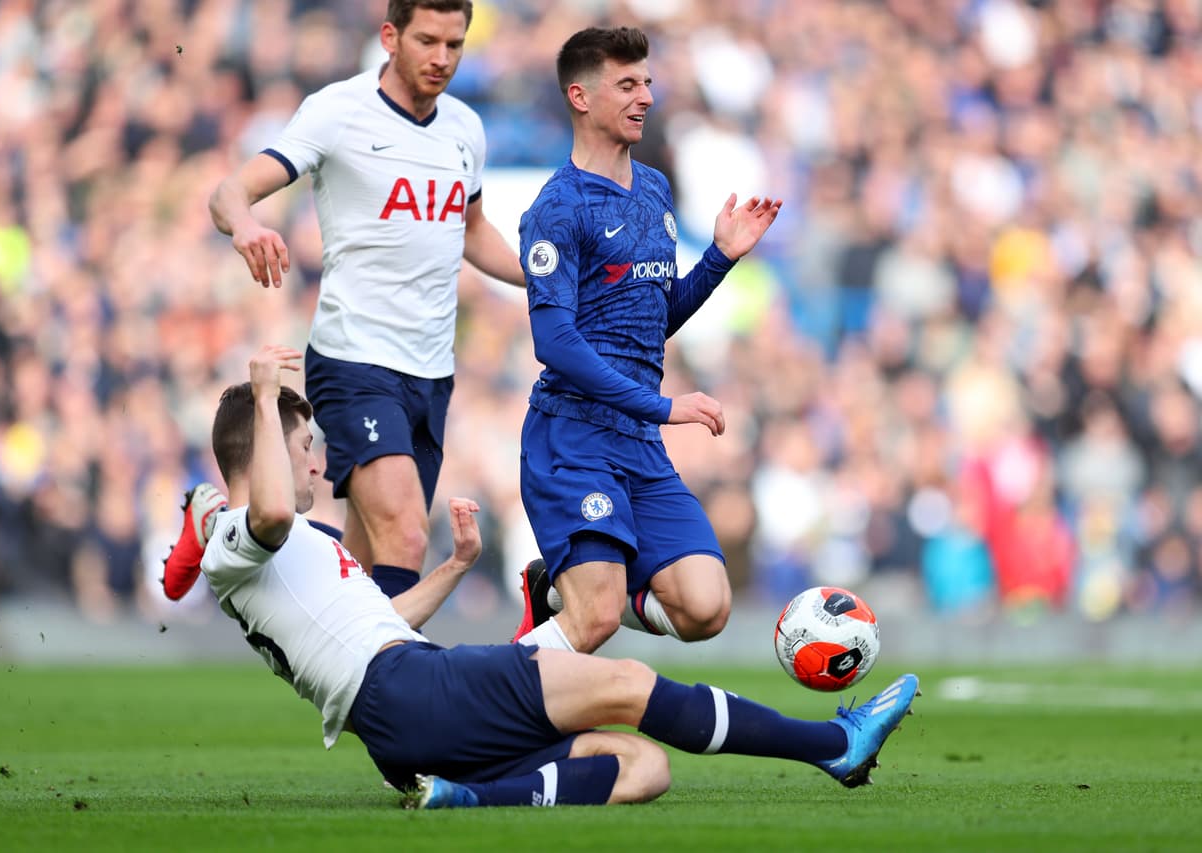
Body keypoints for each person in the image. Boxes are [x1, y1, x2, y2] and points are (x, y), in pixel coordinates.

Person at [199, 344, 920, 809]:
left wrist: (453, 566)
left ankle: (467, 795)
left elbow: (379, 618)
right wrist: (264, 397)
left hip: (402, 718)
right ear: (256, 450)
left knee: (641, 768)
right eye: (302, 447)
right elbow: (257, 506)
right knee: (630, 684)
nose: (317, 464)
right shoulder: (241, 533)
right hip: (409, 689)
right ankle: (834, 746)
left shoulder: (285, 544)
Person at [162, 0, 525, 603]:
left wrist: (545, 283)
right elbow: (231, 191)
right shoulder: (339, 112)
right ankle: (387, 687)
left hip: (432, 374)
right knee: (407, 537)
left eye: (454, 45)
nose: (441, 58)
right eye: (427, 41)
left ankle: (218, 524)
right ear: (390, 36)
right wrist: (246, 227)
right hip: (355, 361)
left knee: (359, 570)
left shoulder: (466, 128)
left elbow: (473, 230)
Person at [512, 27, 781, 652]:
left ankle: (556, 588)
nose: (646, 98)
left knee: (705, 608)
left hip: (636, 441)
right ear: (580, 96)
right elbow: (554, 342)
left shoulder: (656, 190)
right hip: (573, 436)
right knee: (598, 618)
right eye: (627, 85)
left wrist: (719, 258)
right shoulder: (559, 207)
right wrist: (665, 407)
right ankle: (479, 710)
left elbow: (649, 323)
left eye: (648, 83)